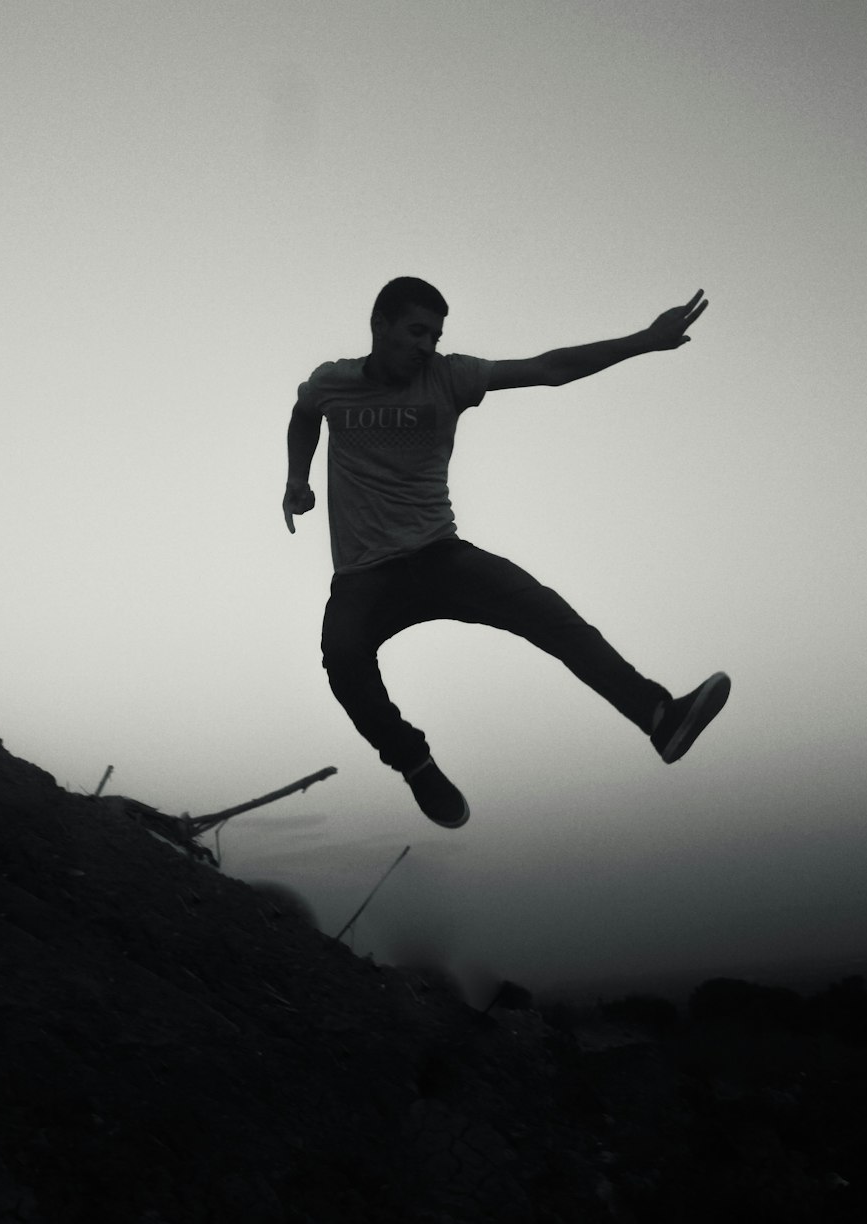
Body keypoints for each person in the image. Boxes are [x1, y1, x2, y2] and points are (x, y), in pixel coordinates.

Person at [283, 276, 730, 828]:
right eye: (416, 331)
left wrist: (644, 340)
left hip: (439, 556)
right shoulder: (334, 382)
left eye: (436, 335)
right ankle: (417, 765)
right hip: (363, 576)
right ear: (380, 325)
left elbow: (548, 369)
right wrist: (294, 480)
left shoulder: (449, 377)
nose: (427, 345)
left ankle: (658, 716)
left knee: (548, 614)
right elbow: (304, 415)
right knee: (343, 660)